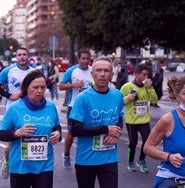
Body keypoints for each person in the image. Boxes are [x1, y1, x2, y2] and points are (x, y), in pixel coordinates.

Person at [0, 69, 61, 188]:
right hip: (20, 167)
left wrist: (58, 134)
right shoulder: (15, 108)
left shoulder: (51, 107)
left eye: (43, 87)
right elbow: (0, 134)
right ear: (26, 87)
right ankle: (6, 161)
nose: (39, 91)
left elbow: (57, 126)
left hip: (44, 166)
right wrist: (16, 133)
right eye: (35, 87)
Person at [69, 57, 123, 188]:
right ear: (92, 74)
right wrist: (105, 129)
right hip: (86, 160)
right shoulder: (83, 98)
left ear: (112, 74)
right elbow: (75, 130)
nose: (102, 74)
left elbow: (119, 119)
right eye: (98, 70)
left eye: (106, 70)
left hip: (109, 158)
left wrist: (116, 132)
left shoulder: (118, 95)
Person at [0, 47, 35, 179]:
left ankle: (28, 169)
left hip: (30, 110)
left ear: (28, 56)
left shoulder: (34, 72)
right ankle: (6, 161)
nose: (22, 57)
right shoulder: (9, 70)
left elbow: (41, 87)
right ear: (16, 57)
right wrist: (9, 95)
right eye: (19, 55)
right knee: (11, 144)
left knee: (30, 140)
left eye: (24, 55)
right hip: (13, 111)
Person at [143, 75, 185, 188]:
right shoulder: (168, 120)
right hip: (172, 180)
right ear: (178, 96)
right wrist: (168, 157)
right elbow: (148, 147)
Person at [120, 63, 158, 173]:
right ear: (137, 74)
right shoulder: (127, 87)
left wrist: (150, 88)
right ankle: (130, 162)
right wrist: (128, 98)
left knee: (147, 141)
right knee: (133, 142)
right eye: (144, 74)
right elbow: (119, 102)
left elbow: (154, 101)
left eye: (148, 75)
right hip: (131, 120)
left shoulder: (148, 87)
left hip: (144, 120)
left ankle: (141, 160)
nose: (146, 77)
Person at [59, 49, 93, 169]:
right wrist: (74, 85)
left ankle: (86, 156)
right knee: (72, 133)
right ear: (78, 59)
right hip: (74, 106)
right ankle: (67, 155)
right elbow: (61, 86)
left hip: (90, 107)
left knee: (89, 131)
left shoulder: (93, 71)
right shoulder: (71, 71)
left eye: (87, 59)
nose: (85, 61)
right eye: (83, 58)